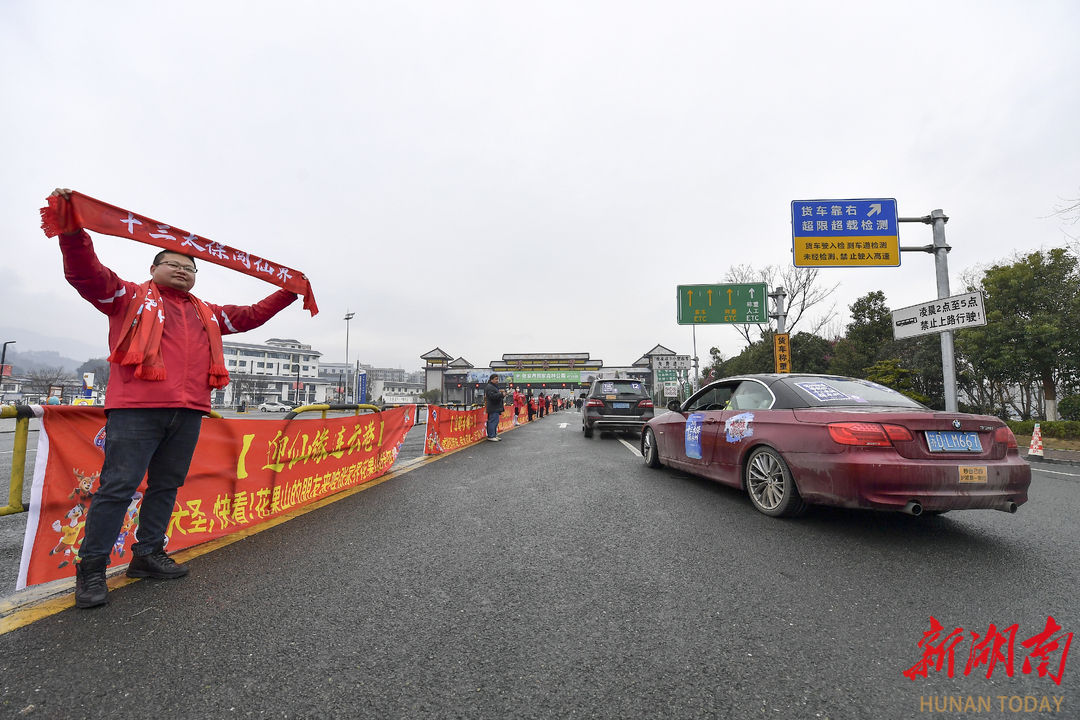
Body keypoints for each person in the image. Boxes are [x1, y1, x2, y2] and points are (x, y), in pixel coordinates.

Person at [50, 188, 299, 609]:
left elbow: (252, 314)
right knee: (118, 488)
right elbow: (85, 273)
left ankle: (147, 555)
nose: (183, 271)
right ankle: (90, 571)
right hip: (135, 411)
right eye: (174, 264)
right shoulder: (126, 297)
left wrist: (289, 291)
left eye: (191, 268)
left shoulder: (209, 313)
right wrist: (72, 231)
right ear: (153, 267)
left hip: (188, 411)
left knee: (166, 485)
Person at [483, 373, 505, 441]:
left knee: (495, 422)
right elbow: (492, 396)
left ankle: (494, 435)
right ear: (491, 379)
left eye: (497, 379)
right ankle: (491, 436)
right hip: (493, 407)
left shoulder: (494, 386)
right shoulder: (490, 387)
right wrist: (501, 395)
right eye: (495, 379)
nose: (497, 380)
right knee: (492, 422)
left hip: (496, 407)